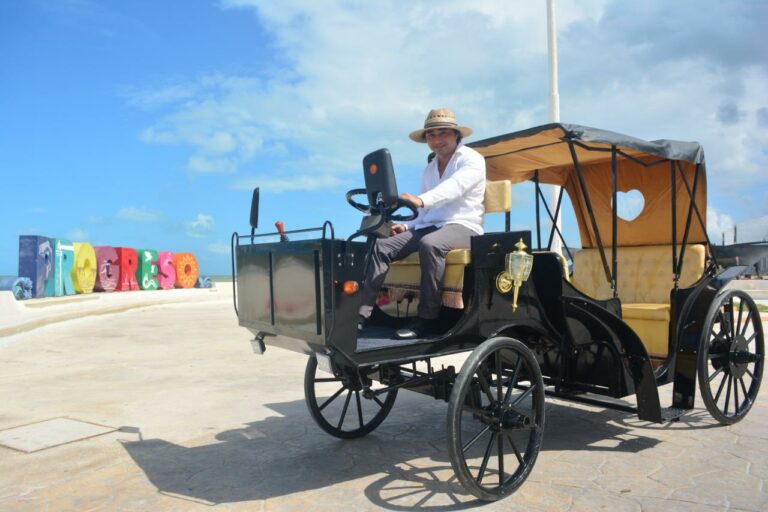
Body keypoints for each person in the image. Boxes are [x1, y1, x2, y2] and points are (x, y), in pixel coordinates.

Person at [359, 108, 486, 339]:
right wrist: (407, 226)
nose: (437, 140)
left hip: (464, 226)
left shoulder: (472, 159)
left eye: (443, 133)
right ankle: (363, 315)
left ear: (456, 135)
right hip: (432, 227)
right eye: (431, 135)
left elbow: (453, 189)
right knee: (381, 246)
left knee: (430, 244)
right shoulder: (429, 169)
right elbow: (424, 211)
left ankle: (428, 319)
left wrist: (419, 200)